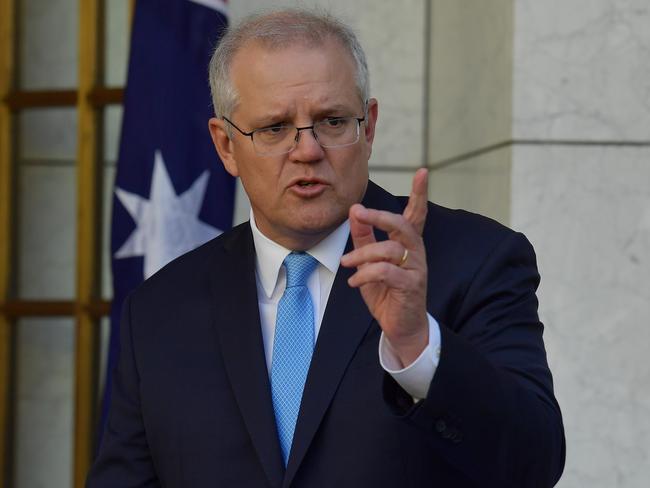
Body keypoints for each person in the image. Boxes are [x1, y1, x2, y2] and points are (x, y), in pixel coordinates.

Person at [87, 9, 565, 488]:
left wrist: (418, 346)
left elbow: (534, 465)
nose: (308, 149)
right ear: (226, 146)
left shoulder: (476, 261)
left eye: (332, 121)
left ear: (369, 127)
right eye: (274, 128)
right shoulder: (157, 311)